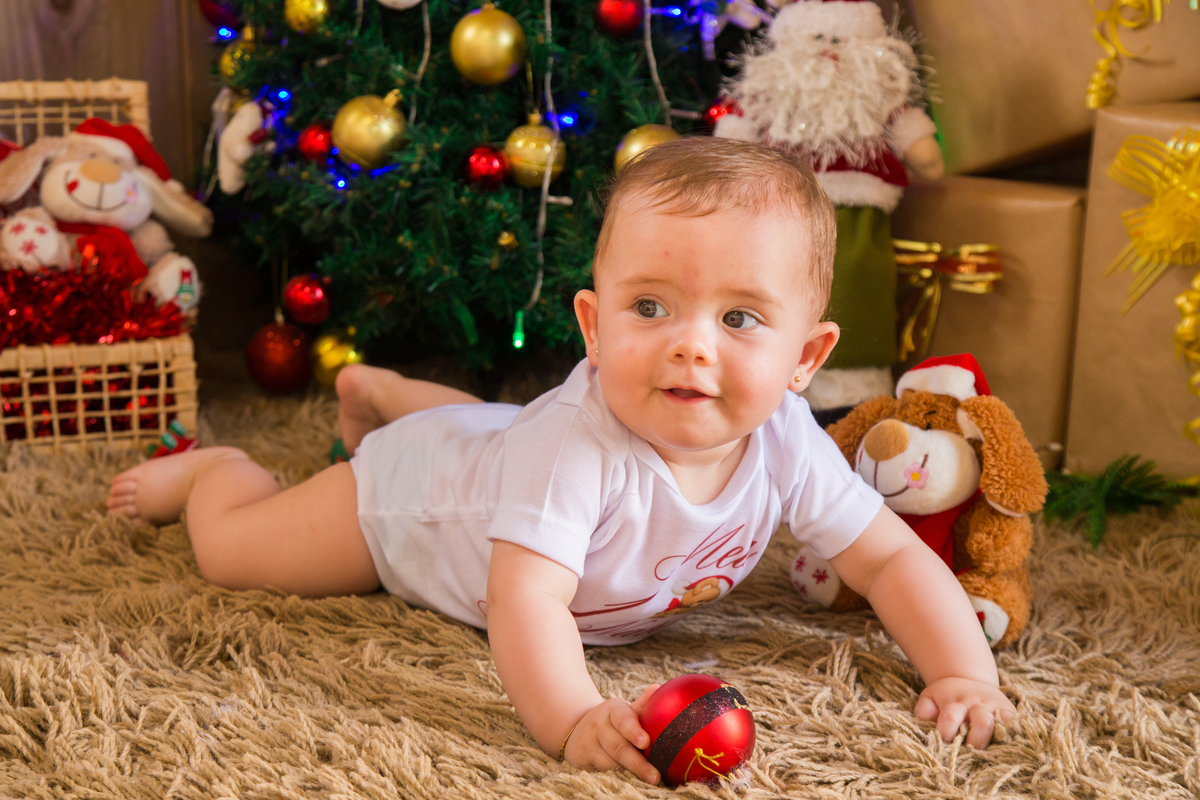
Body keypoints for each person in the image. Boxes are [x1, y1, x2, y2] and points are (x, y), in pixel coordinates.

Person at [107, 137, 1016, 786]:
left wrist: (963, 672)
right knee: (232, 551)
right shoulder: (572, 446)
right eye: (650, 308)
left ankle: (382, 389)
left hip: (492, 443)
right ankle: (216, 470)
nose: (690, 348)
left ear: (805, 361)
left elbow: (893, 557)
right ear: (593, 323)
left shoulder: (786, 436)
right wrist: (574, 718)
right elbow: (525, 599)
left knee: (494, 431)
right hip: (409, 504)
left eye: (739, 319)